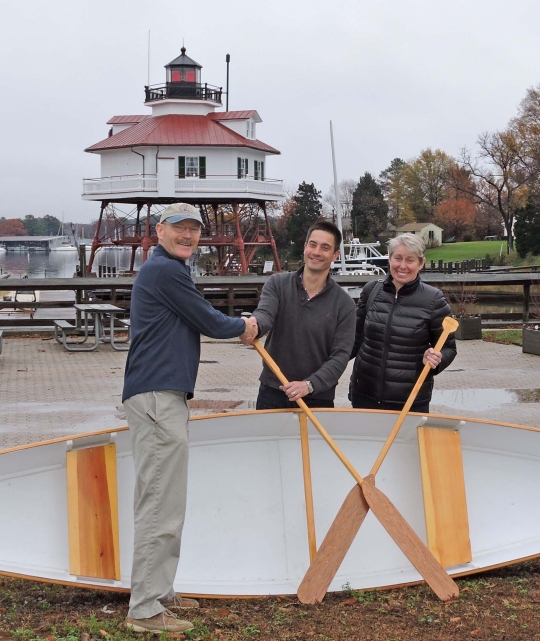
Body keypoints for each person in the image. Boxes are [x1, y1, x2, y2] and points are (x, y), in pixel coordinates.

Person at [122, 203, 258, 634]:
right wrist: (246, 325)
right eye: (179, 228)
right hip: (158, 397)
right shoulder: (165, 271)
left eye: (194, 229)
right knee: (161, 503)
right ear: (158, 230)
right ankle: (144, 609)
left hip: (161, 395)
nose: (187, 235)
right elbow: (210, 321)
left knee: (164, 499)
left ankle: (160, 591)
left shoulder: (165, 269)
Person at [253, 220, 356, 409]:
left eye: (325, 248)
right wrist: (253, 326)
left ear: (335, 255)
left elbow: (340, 356)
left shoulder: (345, 304)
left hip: (317, 398)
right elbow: (264, 315)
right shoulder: (277, 284)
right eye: (313, 244)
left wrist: (310, 385)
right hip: (273, 392)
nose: (317, 252)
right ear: (305, 247)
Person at [349, 233, 456, 413]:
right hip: (364, 395)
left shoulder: (433, 300)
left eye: (410, 260)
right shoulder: (371, 291)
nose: (402, 266)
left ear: (421, 263)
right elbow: (354, 339)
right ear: (389, 259)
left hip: (410, 400)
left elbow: (448, 348)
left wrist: (435, 359)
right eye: (397, 258)